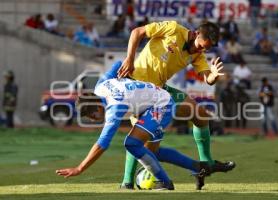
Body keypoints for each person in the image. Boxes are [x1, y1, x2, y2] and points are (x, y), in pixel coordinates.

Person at [117, 20, 236, 190]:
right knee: (145, 145)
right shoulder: (173, 29)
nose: (201, 50)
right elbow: (137, 32)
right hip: (138, 87)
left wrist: (214, 76)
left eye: (206, 49)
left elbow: (207, 78)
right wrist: (129, 59)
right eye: (201, 46)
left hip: (159, 91)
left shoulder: (197, 54)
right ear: (195, 34)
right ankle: (127, 183)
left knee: (201, 115)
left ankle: (205, 164)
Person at [56, 76, 212, 190]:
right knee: (151, 151)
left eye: (91, 116)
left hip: (161, 105)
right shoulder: (100, 87)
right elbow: (116, 65)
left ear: (98, 108)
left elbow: (102, 143)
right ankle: (197, 167)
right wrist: (127, 65)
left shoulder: (115, 109)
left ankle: (164, 182)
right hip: (153, 103)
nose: (92, 120)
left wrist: (80, 168)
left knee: (132, 143)